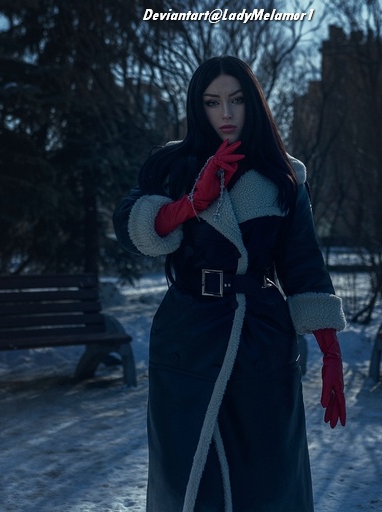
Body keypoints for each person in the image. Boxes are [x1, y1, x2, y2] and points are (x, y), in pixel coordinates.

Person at [113, 56, 347, 512]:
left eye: (237, 101)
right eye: (213, 102)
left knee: (266, 476)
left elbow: (303, 265)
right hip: (187, 334)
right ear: (197, 107)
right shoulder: (170, 165)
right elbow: (128, 225)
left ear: (253, 105)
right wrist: (189, 204)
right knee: (185, 477)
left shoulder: (284, 175)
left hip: (261, 337)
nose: (226, 114)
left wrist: (331, 351)